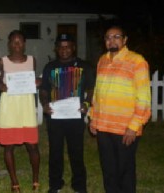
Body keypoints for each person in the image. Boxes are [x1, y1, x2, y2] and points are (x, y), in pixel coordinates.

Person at [89, 26, 151, 193]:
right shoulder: (102, 60)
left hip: (125, 128)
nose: (112, 40)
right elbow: (97, 92)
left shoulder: (137, 61)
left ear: (125, 40)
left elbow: (144, 98)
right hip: (104, 127)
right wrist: (93, 118)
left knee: (125, 170)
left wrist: (134, 127)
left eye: (116, 36)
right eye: (108, 37)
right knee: (108, 170)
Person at [39, 33, 95, 193]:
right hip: (55, 117)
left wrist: (86, 103)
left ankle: (79, 185)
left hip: (75, 116)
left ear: (73, 47)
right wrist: (44, 104)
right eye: (61, 47)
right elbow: (44, 90)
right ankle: (55, 184)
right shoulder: (50, 67)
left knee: (76, 152)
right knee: (55, 152)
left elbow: (91, 88)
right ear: (56, 49)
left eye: (68, 46)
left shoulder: (85, 66)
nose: (64, 50)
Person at [0, 30, 40, 193]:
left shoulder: (32, 60)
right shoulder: (2, 61)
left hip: (26, 106)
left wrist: (37, 82)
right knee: (9, 147)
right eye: (13, 42)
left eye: (20, 41)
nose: (17, 45)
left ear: (24, 43)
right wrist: (1, 86)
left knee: (32, 146)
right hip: (9, 106)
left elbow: (33, 79)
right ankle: (15, 183)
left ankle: (35, 179)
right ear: (9, 44)